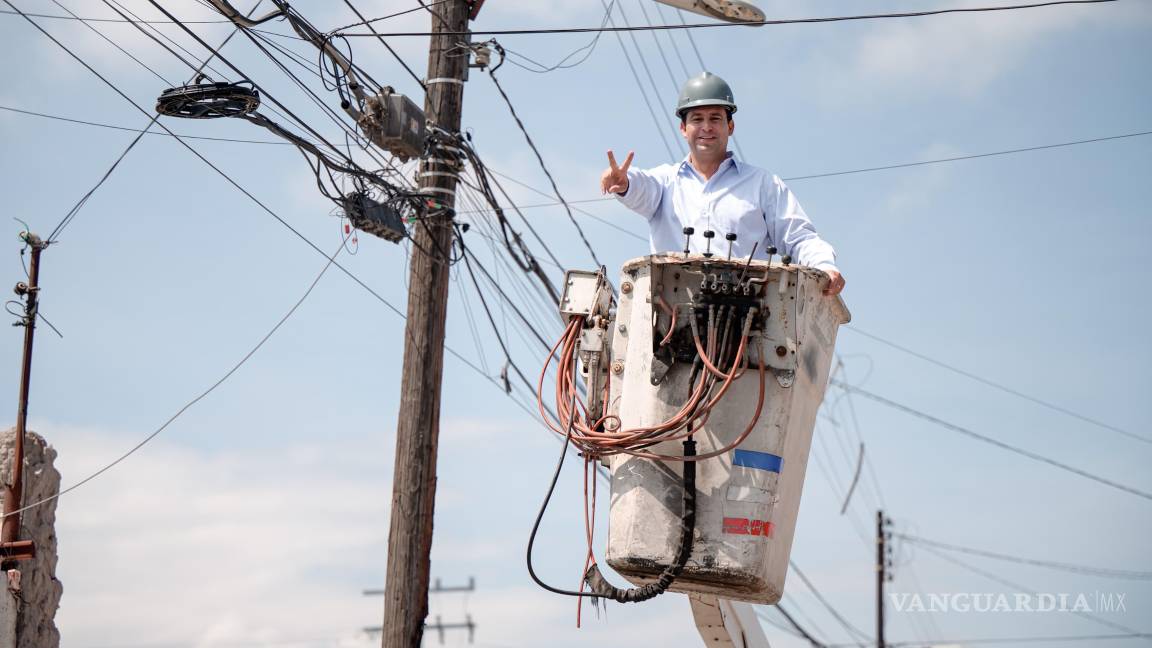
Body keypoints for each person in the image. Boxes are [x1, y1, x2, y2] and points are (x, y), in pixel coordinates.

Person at [600, 72, 845, 297]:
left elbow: (799, 237)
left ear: (730, 126)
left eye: (715, 118)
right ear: (684, 128)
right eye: (697, 119)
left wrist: (825, 266)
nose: (706, 127)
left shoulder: (763, 185)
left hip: (749, 323)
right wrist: (624, 182)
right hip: (670, 321)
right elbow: (640, 187)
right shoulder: (665, 182)